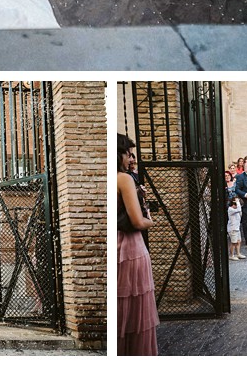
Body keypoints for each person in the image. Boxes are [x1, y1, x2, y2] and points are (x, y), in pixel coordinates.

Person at [116, 134, 157, 355]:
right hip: (130, 247)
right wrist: (151, 219)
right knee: (135, 310)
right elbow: (138, 221)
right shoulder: (123, 179)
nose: (131, 159)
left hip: (117, 246)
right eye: (128, 154)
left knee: (121, 306)